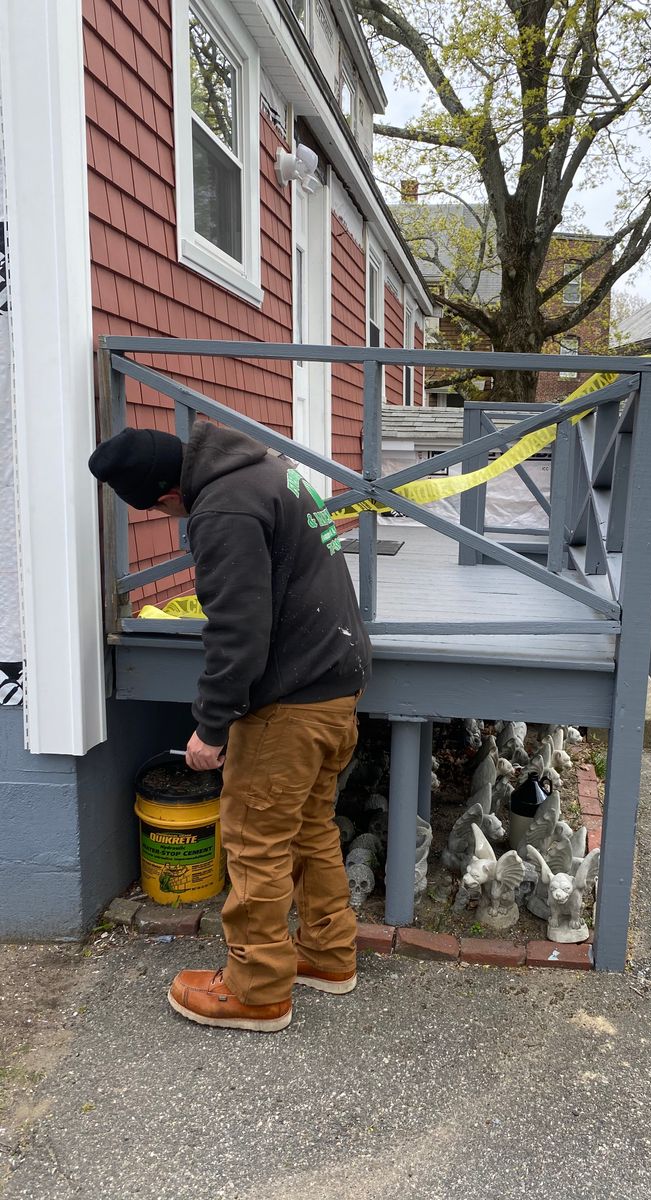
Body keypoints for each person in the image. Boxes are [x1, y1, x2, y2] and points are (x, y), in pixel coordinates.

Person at [89, 422, 371, 1032]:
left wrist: (210, 728)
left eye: (163, 510)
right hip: (337, 682)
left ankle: (257, 988)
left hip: (290, 703)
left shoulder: (222, 510)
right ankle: (326, 954)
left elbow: (237, 633)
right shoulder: (269, 471)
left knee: (253, 841)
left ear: (165, 495)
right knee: (308, 828)